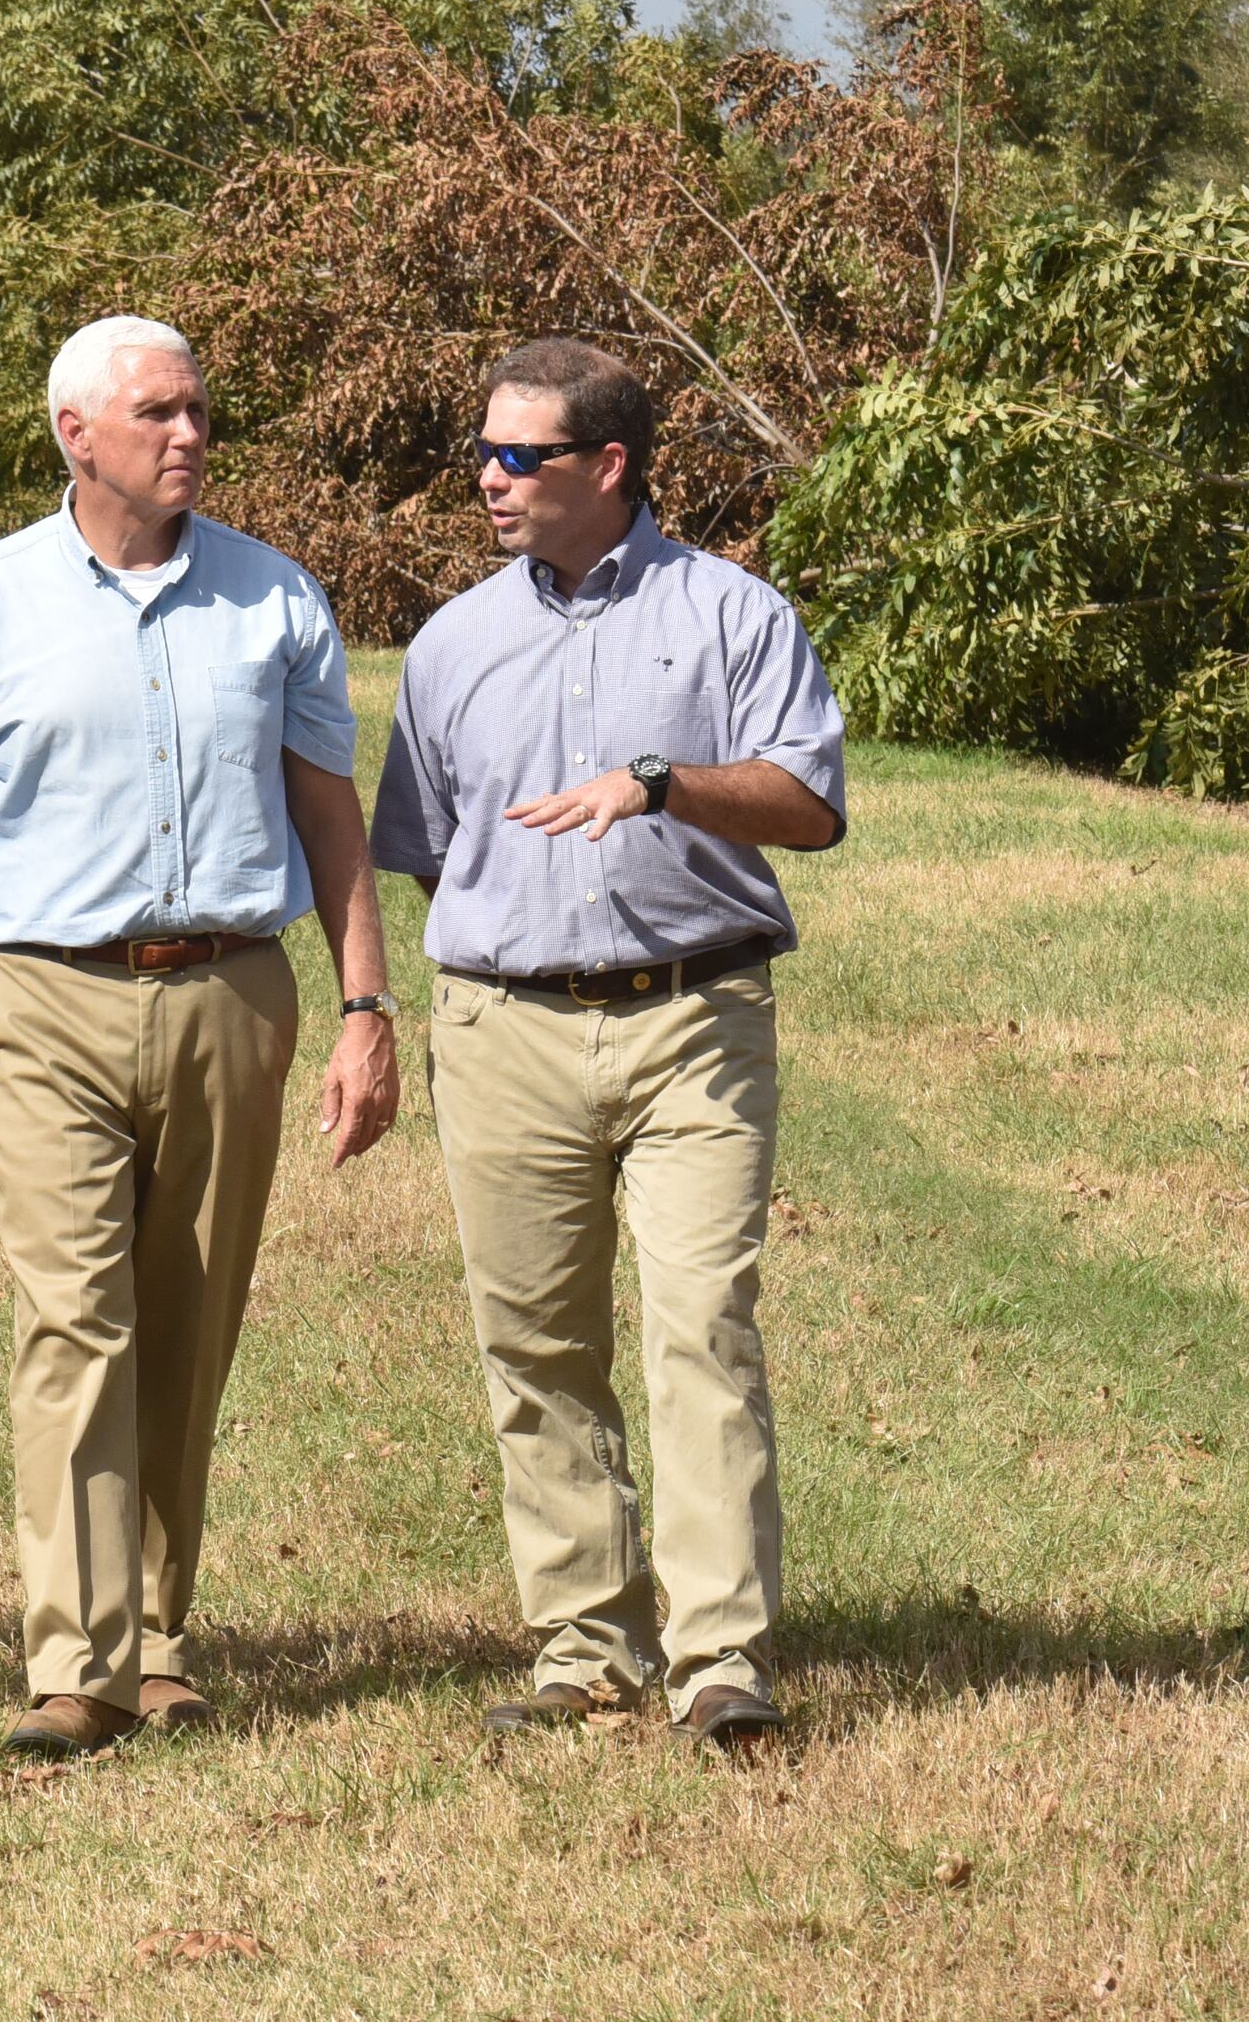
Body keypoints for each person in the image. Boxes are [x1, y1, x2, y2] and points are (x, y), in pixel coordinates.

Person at [0, 315, 400, 1760]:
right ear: (74, 434)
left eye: (201, 410)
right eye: (158, 412)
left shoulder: (277, 603)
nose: (190, 435)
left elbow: (328, 813)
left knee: (187, 1323)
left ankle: (161, 1636)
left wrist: (363, 1005)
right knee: (72, 1319)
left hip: (233, 991)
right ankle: (71, 1658)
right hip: (40, 994)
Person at [367, 337, 847, 1752]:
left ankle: (719, 1658)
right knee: (537, 1342)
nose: (490, 479)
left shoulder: (733, 616)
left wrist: (662, 786)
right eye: (484, 453)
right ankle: (585, 1645)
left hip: (696, 1019)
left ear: (610, 466)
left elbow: (809, 805)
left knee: (703, 1324)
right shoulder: (453, 640)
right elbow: (428, 853)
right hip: (505, 1028)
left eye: (522, 457)